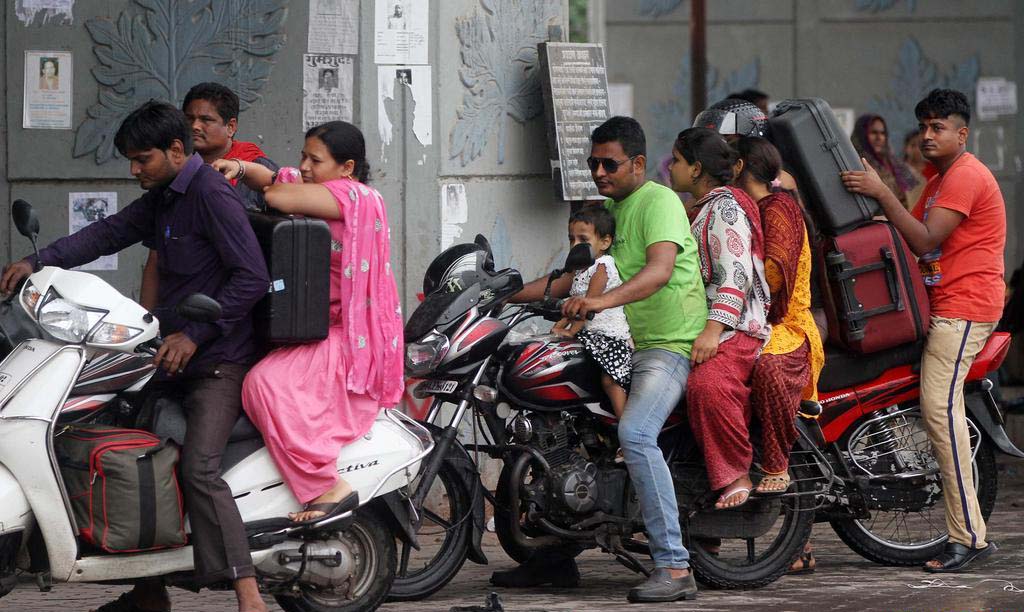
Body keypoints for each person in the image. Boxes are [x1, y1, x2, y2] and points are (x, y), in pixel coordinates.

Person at [0, 101, 270, 612]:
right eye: (130, 159)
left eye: (142, 158)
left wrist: (192, 334)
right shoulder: (166, 195)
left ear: (174, 150)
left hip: (218, 361)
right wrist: (36, 261)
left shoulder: (213, 195)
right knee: (138, 459)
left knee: (198, 468)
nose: (134, 169)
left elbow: (251, 279)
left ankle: (248, 595)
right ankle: (150, 592)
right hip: (167, 357)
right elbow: (107, 233)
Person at [493, 117, 708, 603]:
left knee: (635, 432)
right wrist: (499, 297)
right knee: (553, 423)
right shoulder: (605, 212)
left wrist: (601, 303)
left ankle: (675, 567)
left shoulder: (660, 202)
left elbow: (658, 271)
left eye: (608, 163)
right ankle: (552, 554)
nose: (598, 171)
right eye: (592, 163)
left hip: (666, 344)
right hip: (617, 343)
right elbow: (572, 278)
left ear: (636, 162)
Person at [841, 88, 1004, 573]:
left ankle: (970, 537)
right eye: (925, 126)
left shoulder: (966, 176)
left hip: (966, 308)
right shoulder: (937, 180)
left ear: (962, 133)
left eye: (939, 127)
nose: (929, 135)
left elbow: (926, 238)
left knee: (939, 409)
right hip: (941, 305)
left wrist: (881, 192)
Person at [213, 121, 403, 523]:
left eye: (315, 159)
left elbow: (278, 192)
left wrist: (255, 177)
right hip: (321, 326)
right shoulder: (324, 193)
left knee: (264, 384)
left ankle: (326, 485)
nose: (303, 166)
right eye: (303, 156)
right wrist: (242, 168)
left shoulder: (354, 196)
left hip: (350, 337)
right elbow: (277, 177)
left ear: (347, 166)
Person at [669, 127, 771, 510]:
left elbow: (735, 273)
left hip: (737, 326)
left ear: (696, 169)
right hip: (706, 323)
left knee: (708, 385)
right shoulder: (702, 208)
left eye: (677, 160)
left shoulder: (725, 208)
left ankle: (736, 473)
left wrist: (713, 330)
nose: (670, 167)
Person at [140, 83, 278, 313]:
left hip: (239, 307)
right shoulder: (175, 173)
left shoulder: (258, 171)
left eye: (206, 120)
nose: (195, 126)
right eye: (189, 118)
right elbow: (155, 256)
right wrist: (145, 319)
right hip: (181, 303)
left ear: (231, 126)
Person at [735, 137, 824, 494]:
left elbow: (773, 275)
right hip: (759, 321)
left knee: (767, 368)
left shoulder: (778, 207)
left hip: (787, 327)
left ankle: (777, 465)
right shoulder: (757, 206)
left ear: (739, 167)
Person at [547, 206, 632, 419]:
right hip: (589, 335)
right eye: (571, 239)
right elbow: (574, 305)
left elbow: (588, 304)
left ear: (605, 242)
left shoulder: (602, 266)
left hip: (609, 337)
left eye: (583, 240)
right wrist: (558, 326)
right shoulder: (579, 269)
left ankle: (627, 431)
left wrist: (570, 331)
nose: (575, 245)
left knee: (609, 381)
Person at [850, 113, 918, 209]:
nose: (879, 138)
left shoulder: (894, 163)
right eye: (873, 132)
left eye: (883, 133)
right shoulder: (855, 164)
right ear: (862, 134)